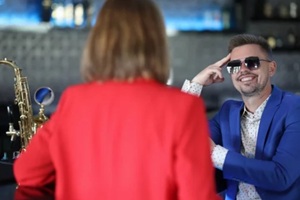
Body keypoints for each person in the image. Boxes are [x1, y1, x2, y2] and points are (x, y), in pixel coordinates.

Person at [13, 0, 221, 199]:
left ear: (98, 43)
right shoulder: (184, 107)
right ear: (157, 44)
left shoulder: (74, 100)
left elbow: (27, 172)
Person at [182, 33, 300, 200]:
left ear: (272, 68)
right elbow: (183, 136)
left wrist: (214, 153)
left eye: (252, 62)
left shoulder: (294, 108)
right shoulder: (227, 112)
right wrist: (196, 84)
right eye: (235, 65)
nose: (243, 69)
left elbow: (281, 176)